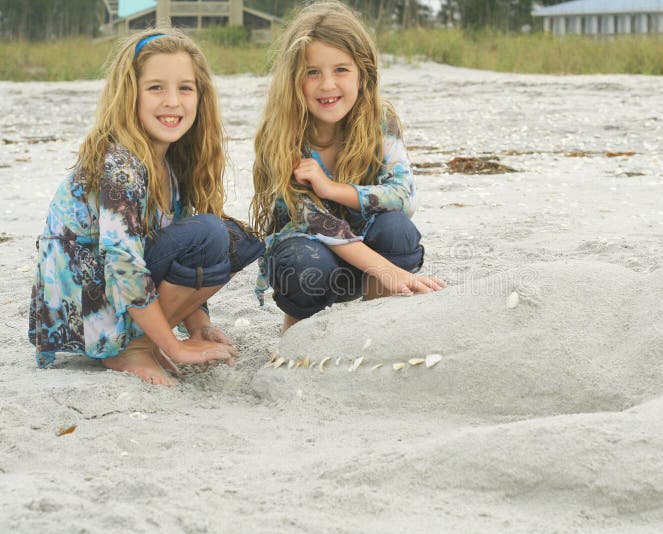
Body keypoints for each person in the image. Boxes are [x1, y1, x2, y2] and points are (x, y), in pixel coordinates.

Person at [28, 28, 264, 385]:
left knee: (237, 239)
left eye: (185, 88)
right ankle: (135, 347)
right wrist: (177, 348)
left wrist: (199, 326)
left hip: (112, 295)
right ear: (130, 95)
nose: (172, 101)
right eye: (156, 88)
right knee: (209, 233)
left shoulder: (169, 163)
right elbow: (123, 263)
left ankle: (147, 341)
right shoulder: (121, 163)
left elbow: (184, 252)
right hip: (84, 307)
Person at [251, 0, 446, 333]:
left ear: (363, 73)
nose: (328, 85)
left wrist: (332, 190)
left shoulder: (379, 121)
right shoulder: (282, 133)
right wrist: (390, 271)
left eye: (341, 69)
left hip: (369, 263)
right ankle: (295, 332)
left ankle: (370, 326)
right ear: (294, 79)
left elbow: (405, 195)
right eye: (313, 72)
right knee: (304, 263)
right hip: (309, 262)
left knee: (397, 230)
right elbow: (313, 222)